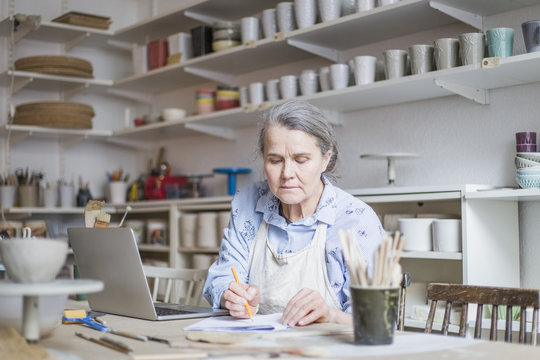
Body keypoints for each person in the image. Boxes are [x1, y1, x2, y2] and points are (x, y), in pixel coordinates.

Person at [203, 100, 384, 326]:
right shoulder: (248, 204)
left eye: (301, 160)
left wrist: (330, 315)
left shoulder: (356, 221)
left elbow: (379, 322)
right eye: (275, 160)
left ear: (325, 159)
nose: (287, 173)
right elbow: (221, 277)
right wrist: (230, 295)